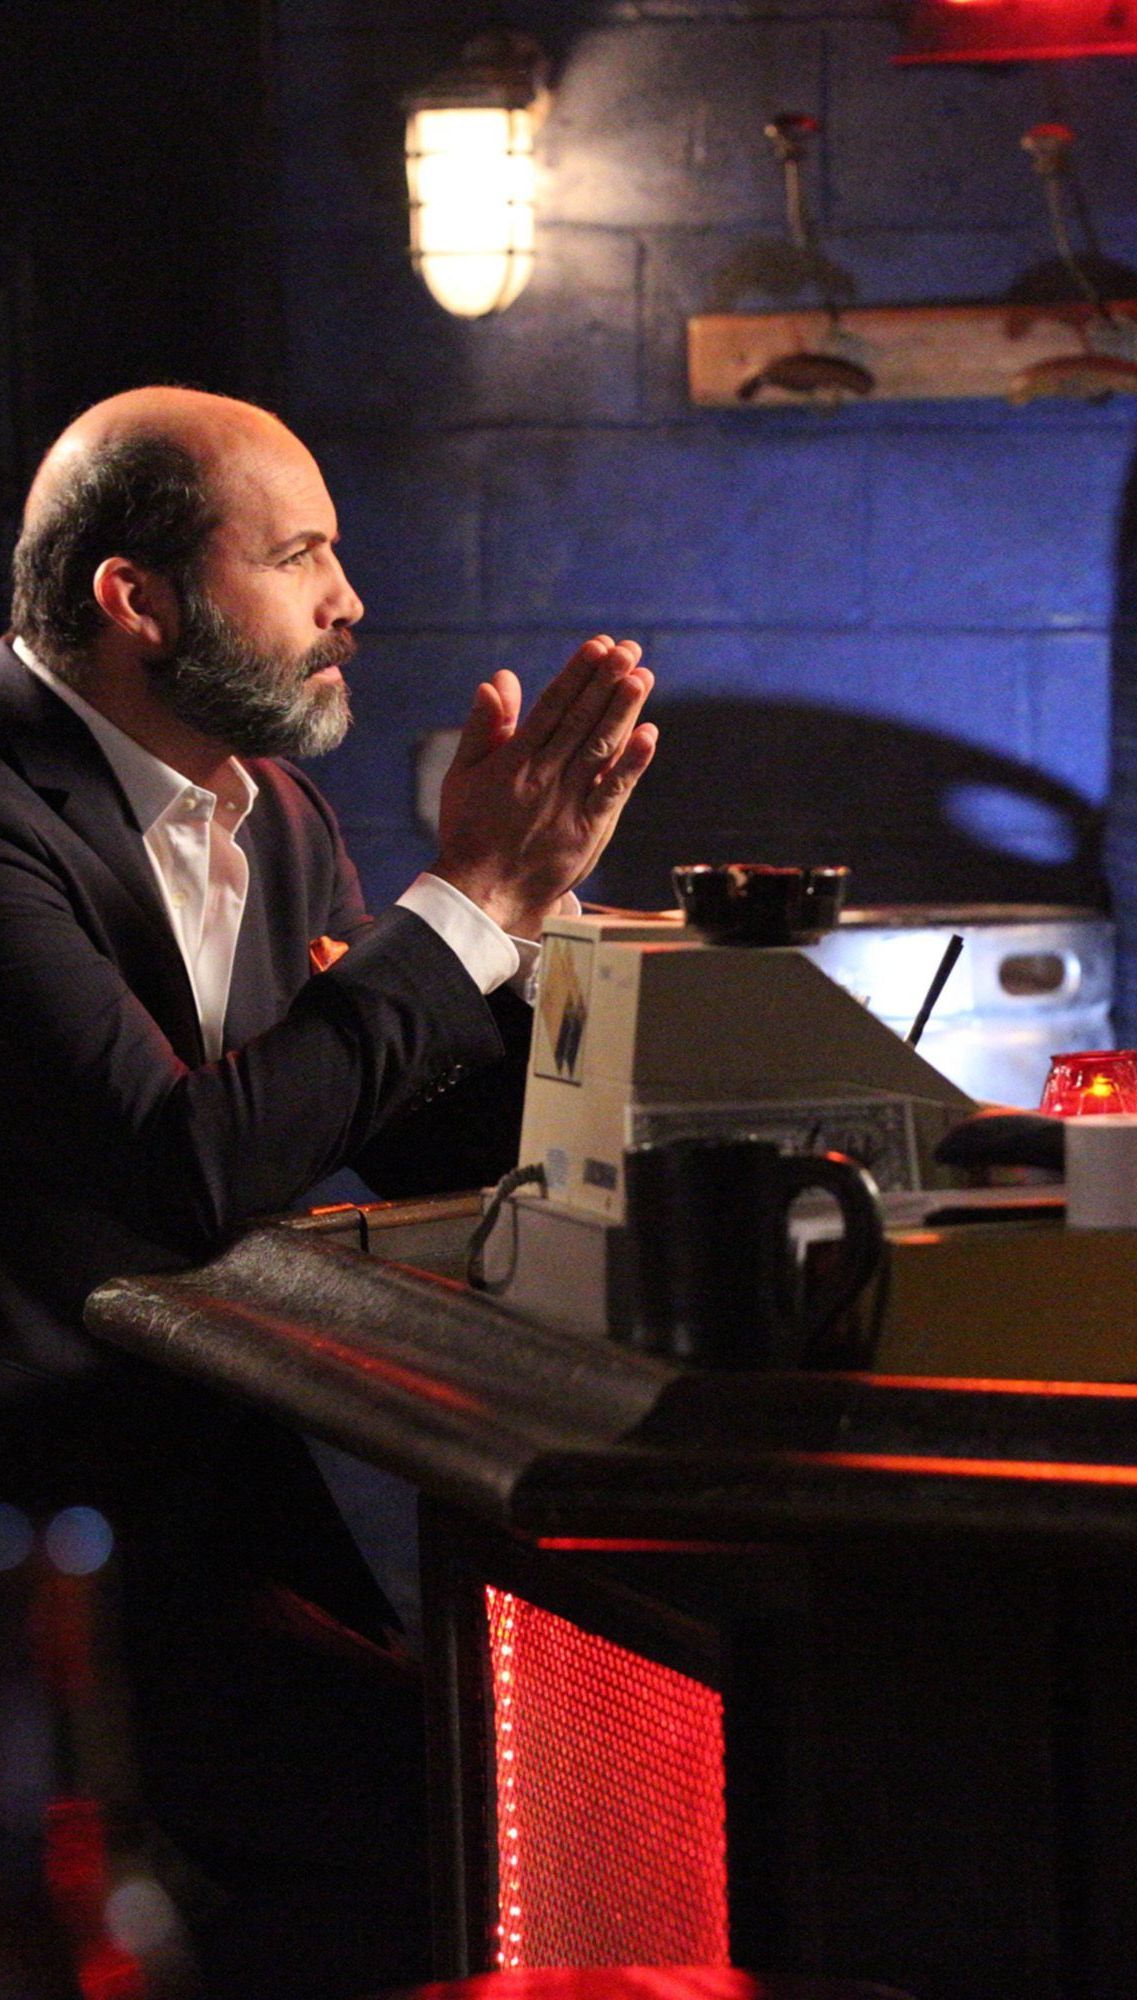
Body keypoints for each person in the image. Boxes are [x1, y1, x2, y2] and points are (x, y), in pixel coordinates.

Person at [0, 385, 658, 1994]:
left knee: (528, 1792)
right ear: (138, 600)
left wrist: (533, 930)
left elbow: (398, 1124)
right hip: (50, 1559)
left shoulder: (267, 808)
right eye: (298, 557)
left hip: (207, 1523)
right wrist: (465, 901)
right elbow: (186, 1169)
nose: (348, 601)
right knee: (450, 1826)